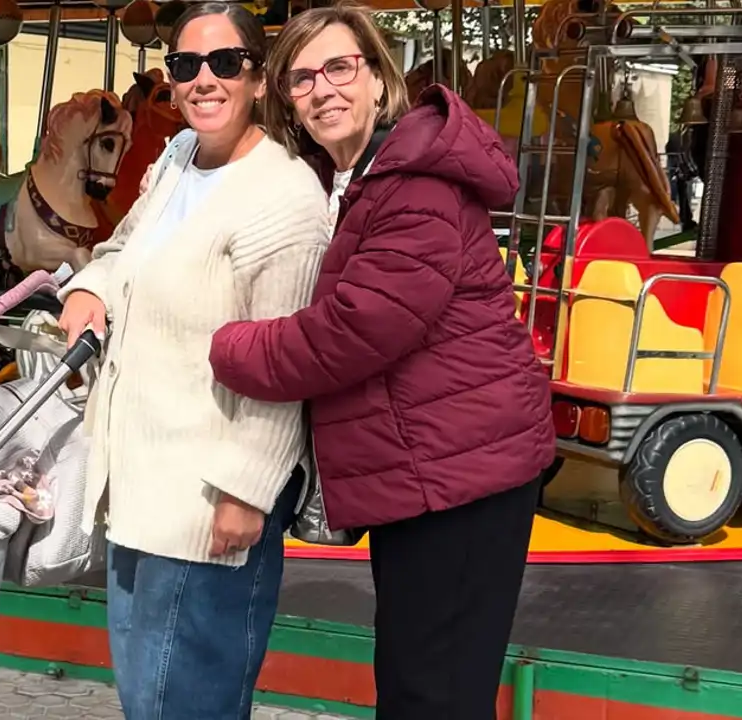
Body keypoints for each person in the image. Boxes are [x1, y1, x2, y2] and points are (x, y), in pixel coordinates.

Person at [206, 4, 556, 719]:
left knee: (432, 693)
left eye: (339, 67)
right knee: (417, 678)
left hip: (463, 476)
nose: (323, 89)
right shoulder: (349, 179)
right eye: (301, 78)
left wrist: (223, 344)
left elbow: (353, 331)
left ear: (375, 76)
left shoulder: (414, 184)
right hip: (431, 471)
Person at [54, 3, 331, 717]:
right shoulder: (175, 161)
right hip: (137, 485)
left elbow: (284, 360)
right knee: (147, 701)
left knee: (186, 703)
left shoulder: (285, 197)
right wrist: (88, 288)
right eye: (185, 66)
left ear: (259, 78)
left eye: (225, 63)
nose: (204, 80)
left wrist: (247, 487)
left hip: (207, 501)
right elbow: (123, 250)